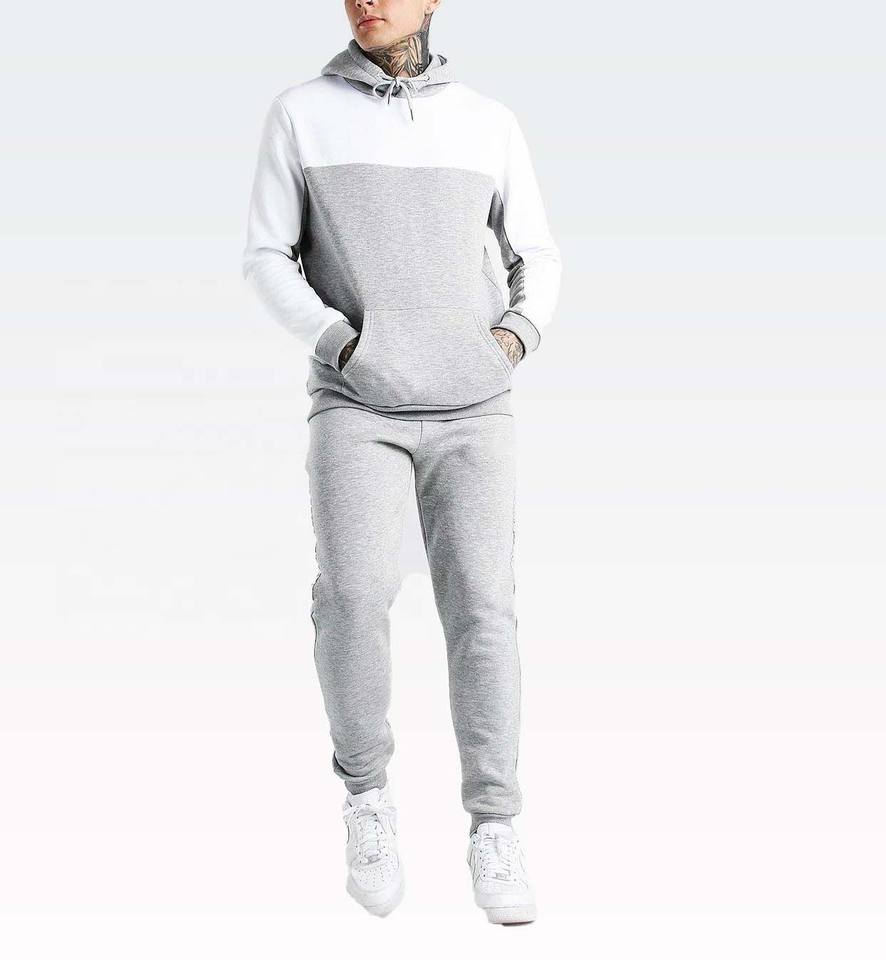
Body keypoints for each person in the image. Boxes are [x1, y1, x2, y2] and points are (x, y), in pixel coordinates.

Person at [242, 0, 561, 925]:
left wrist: (512, 338)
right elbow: (266, 257)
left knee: (484, 609)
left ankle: (495, 824)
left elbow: (537, 253)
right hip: (358, 406)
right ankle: (367, 799)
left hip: (474, 411)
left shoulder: (487, 122)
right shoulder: (302, 114)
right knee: (351, 597)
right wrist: (342, 344)